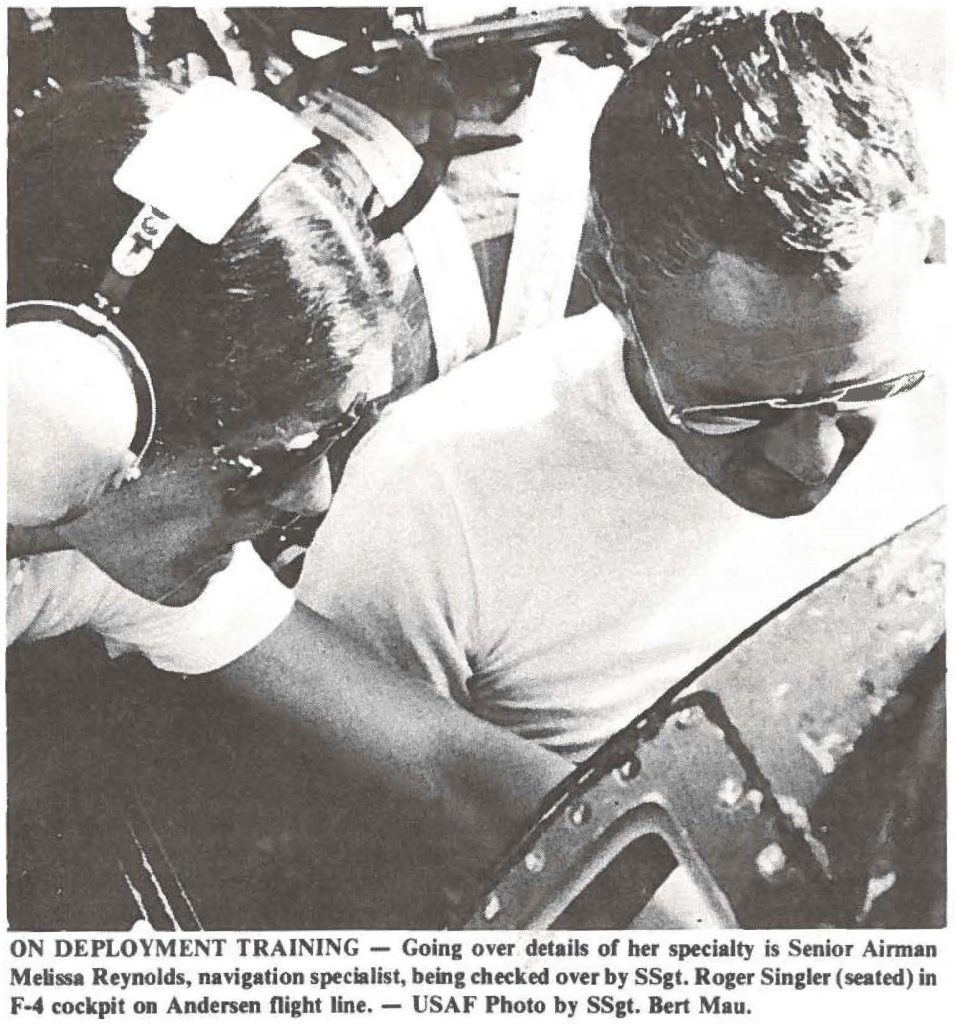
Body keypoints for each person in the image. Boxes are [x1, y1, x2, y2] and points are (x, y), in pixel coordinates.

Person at [292, 8, 945, 761]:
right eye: (737, 407)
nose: (813, 458)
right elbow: (341, 829)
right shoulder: (428, 503)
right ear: (609, 286)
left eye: (865, 389)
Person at [6, 75, 571, 901]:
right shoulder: (99, 498)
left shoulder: (96, 526)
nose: (312, 501)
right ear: (59, 408)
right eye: (267, 463)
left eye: (332, 442)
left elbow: (446, 763)